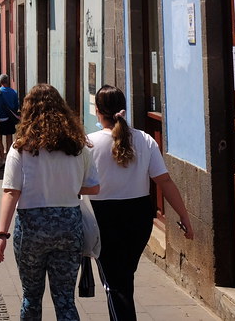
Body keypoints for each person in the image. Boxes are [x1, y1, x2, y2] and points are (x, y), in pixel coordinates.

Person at [0, 84, 100, 321]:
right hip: (68, 225)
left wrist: (2, 235)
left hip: (32, 227)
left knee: (31, 297)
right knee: (65, 299)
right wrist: (69, 187)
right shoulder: (78, 147)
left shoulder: (20, 148)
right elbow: (93, 187)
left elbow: (11, 192)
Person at [88, 85, 194, 321]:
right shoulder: (145, 140)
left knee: (114, 284)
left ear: (98, 111)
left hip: (103, 217)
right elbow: (164, 181)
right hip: (139, 216)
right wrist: (184, 215)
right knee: (123, 278)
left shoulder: (89, 144)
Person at [0, 74, 20, 167]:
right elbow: (16, 106)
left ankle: (2, 158)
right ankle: (8, 157)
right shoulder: (14, 92)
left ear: (0, 82)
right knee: (9, 138)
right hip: (9, 118)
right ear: (8, 81)